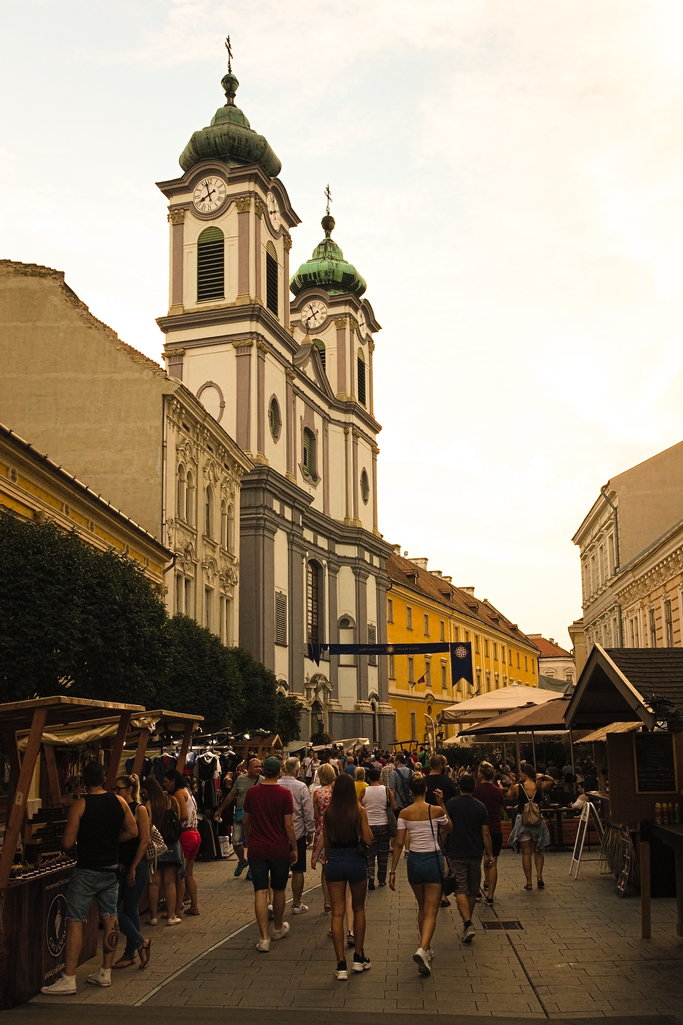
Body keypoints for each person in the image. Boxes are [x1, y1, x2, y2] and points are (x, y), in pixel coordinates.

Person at [40, 761, 138, 995]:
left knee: (74, 920)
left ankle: (69, 978)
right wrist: (112, 841)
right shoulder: (120, 801)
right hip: (111, 868)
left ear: (84, 781)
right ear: (104, 778)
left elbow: (67, 842)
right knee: (110, 917)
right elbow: (133, 831)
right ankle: (105, 972)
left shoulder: (80, 804)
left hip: (86, 870)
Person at [312, 772, 374, 981]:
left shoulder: (329, 813)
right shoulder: (359, 811)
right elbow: (367, 839)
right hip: (355, 861)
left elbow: (326, 841)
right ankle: (358, 956)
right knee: (358, 909)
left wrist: (318, 856)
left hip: (335, 863)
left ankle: (340, 964)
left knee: (337, 913)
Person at [388, 775, 450, 976]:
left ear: (410, 792)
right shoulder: (436, 810)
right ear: (425, 791)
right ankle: (423, 949)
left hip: (414, 861)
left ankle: (426, 946)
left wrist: (392, 871)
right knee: (432, 909)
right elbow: (449, 827)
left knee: (422, 906)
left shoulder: (404, 813)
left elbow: (398, 843)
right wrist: (442, 803)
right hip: (433, 859)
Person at [243, 756, 297, 952]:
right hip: (278, 847)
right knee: (280, 888)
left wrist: (248, 838)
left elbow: (246, 820)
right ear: (279, 772)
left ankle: (263, 938)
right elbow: (289, 825)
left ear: (264, 771)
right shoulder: (284, 794)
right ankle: (277, 928)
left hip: (257, 847)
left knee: (260, 890)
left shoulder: (252, 793)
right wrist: (294, 847)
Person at [444, 772, 493, 944]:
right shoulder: (480, 807)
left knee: (460, 890)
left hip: (457, 852)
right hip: (475, 852)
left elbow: (445, 827)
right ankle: (468, 922)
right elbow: (485, 832)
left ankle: (467, 922)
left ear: (459, 787)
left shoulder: (451, 804)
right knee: (472, 889)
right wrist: (489, 853)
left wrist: (443, 848)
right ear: (473, 787)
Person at [112, 774, 152, 970]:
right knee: (122, 909)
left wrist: (134, 867)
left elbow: (144, 840)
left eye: (118, 789)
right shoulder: (117, 809)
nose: (115, 792)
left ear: (128, 790)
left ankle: (134, 947)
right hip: (119, 866)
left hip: (136, 866)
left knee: (125, 909)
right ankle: (137, 947)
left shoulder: (139, 809)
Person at [507, 762, 554, 890]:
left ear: (525, 774)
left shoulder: (518, 787)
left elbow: (509, 797)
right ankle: (539, 877)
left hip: (523, 821)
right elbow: (552, 781)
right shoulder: (539, 786)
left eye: (521, 773)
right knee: (539, 850)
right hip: (538, 821)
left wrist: (512, 782)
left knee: (526, 853)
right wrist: (543, 775)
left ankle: (529, 882)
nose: (520, 775)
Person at [214, 757, 264, 876]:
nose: (258, 769)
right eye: (256, 766)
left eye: (260, 767)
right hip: (240, 814)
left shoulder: (263, 781)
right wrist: (220, 809)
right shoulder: (241, 779)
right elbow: (231, 795)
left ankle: (252, 867)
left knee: (252, 843)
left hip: (255, 817)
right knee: (236, 841)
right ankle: (242, 861)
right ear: (248, 768)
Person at [278, 756, 315, 913]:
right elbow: (307, 811)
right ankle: (296, 903)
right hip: (297, 832)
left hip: (277, 833)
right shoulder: (301, 787)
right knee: (298, 869)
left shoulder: (276, 784)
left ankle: (275, 901)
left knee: (277, 869)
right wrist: (310, 831)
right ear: (297, 769)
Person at [145, 777, 183, 926]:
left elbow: (148, 826)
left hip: (155, 846)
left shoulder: (149, 805)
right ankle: (171, 916)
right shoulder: (171, 800)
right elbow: (179, 819)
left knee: (154, 883)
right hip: (172, 845)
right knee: (170, 882)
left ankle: (153, 917)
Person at [164, 769, 201, 916]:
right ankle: (194, 906)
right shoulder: (187, 790)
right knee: (189, 873)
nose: (165, 785)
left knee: (179, 874)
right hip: (195, 833)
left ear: (173, 781)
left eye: (167, 782)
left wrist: (171, 822)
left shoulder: (179, 793)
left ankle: (177, 908)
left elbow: (183, 815)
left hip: (185, 835)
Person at [473, 763, 505, 905]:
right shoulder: (498, 791)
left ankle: (477, 892)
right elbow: (501, 807)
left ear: (481, 774)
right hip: (495, 829)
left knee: (477, 861)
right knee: (493, 861)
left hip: (478, 829)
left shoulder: (476, 791)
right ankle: (491, 894)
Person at [361, 767, 394, 889]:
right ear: (379, 777)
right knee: (383, 854)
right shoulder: (386, 790)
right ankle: (382, 880)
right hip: (384, 824)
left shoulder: (364, 791)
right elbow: (394, 805)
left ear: (368, 778)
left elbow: (359, 807)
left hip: (369, 826)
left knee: (370, 853)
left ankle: (370, 876)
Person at [312, 762, 336, 913]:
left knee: (325, 867)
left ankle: (326, 901)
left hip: (321, 829)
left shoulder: (317, 793)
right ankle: (335, 899)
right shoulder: (336, 792)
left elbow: (315, 815)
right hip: (336, 828)